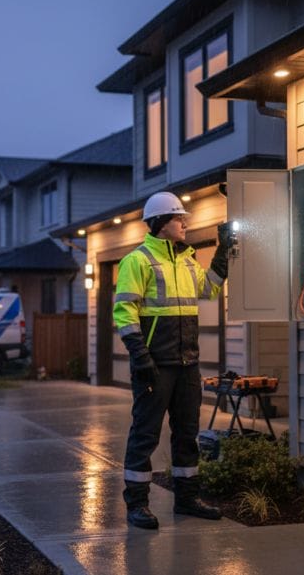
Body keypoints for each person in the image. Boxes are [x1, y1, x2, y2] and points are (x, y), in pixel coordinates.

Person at [113, 191, 232, 529]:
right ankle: (137, 505)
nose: (185, 223)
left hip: (186, 364)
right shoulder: (137, 261)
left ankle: (187, 498)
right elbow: (124, 312)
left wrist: (223, 251)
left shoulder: (187, 260)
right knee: (145, 435)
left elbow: (209, 289)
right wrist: (140, 357)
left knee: (187, 434)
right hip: (155, 365)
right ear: (162, 222)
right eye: (180, 217)